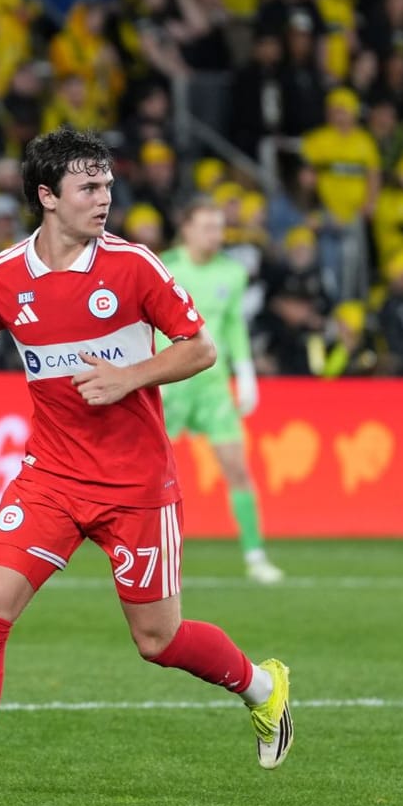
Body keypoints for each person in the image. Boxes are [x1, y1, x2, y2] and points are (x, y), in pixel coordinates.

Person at [0, 128, 292, 806]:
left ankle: (262, 686)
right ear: (47, 196)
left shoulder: (135, 267)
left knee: (157, 640)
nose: (104, 198)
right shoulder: (0, 277)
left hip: (136, 484)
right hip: (49, 476)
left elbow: (199, 348)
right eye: (88, 187)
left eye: (107, 184)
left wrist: (129, 375)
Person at [158, 198, 283, 584]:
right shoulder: (164, 268)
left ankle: (255, 554)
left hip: (213, 385)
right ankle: (135, 547)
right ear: (187, 229)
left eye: (219, 227)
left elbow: (232, 326)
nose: (217, 235)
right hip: (168, 381)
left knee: (236, 468)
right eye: (208, 227)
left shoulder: (233, 272)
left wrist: (245, 373)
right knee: (146, 473)